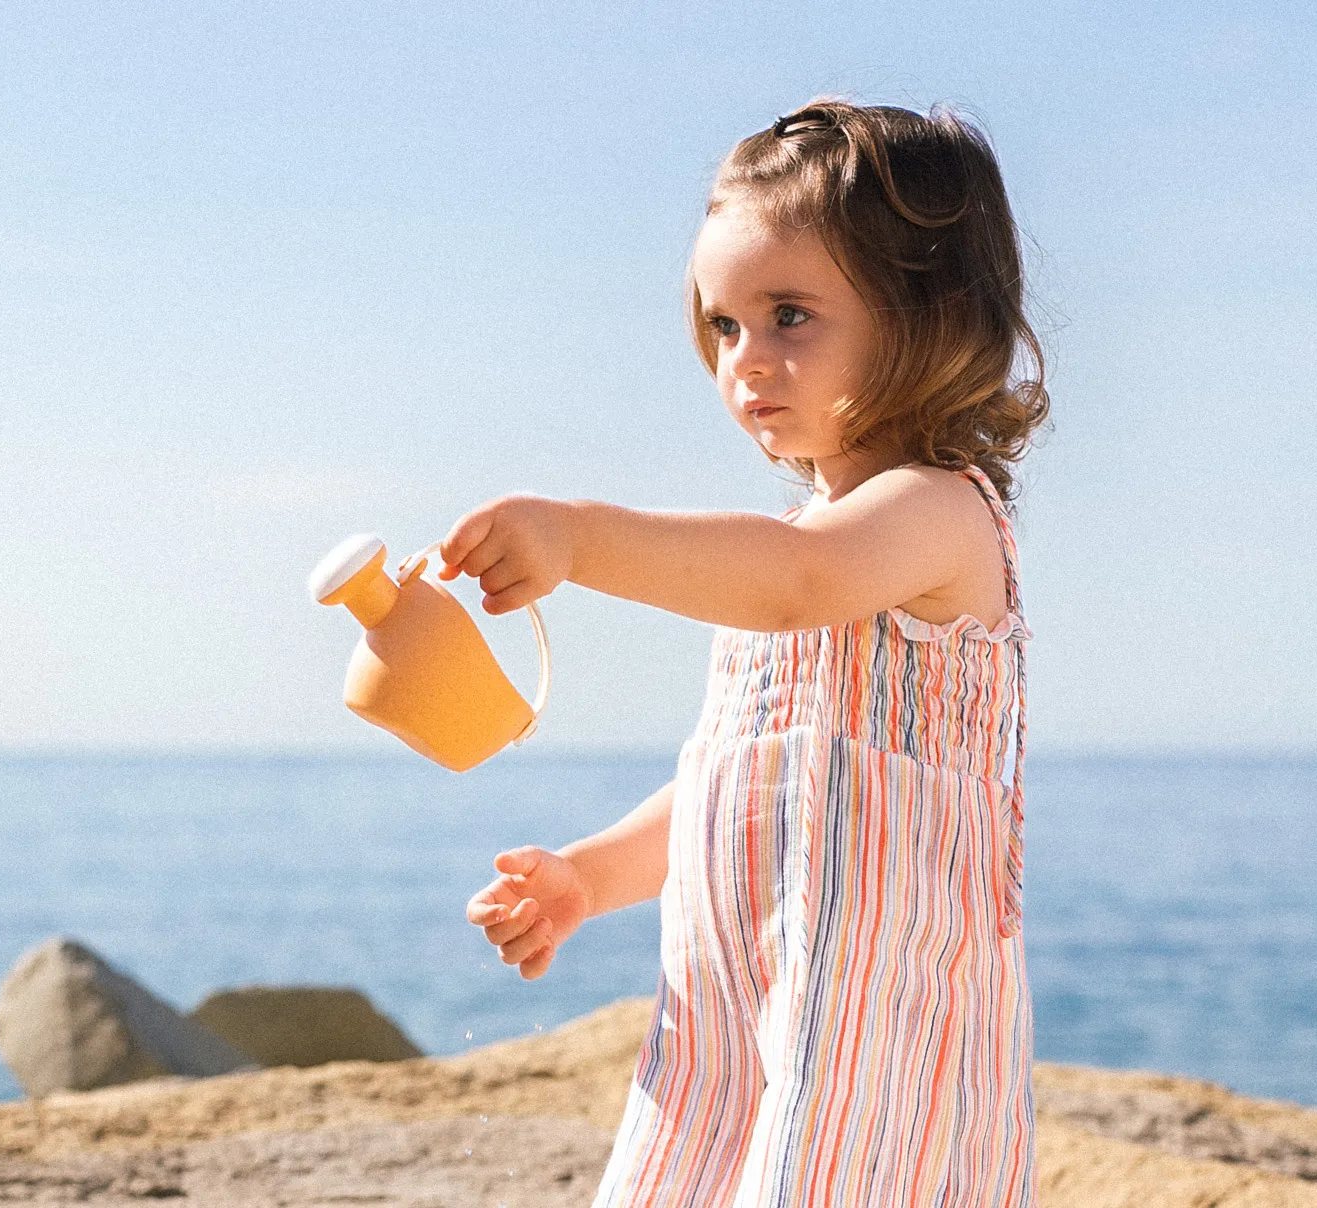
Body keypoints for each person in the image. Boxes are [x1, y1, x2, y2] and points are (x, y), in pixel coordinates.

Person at [449, 98, 1048, 1206]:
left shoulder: (929, 513)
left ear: (928, 311)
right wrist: (590, 873)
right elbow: (739, 785)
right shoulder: (790, 551)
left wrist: (577, 537)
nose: (745, 362)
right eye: (723, 325)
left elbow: (796, 581)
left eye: (787, 315)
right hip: (739, 1024)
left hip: (877, 1028)